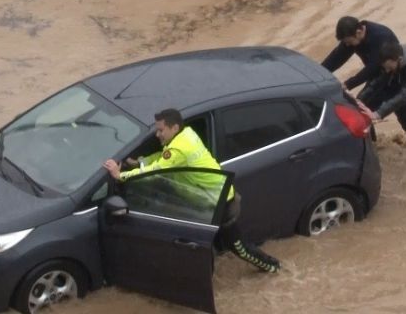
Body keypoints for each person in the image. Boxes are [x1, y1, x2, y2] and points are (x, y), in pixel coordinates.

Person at [103, 108, 282, 273]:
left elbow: (156, 170)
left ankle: (273, 267)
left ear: (174, 128)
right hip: (212, 197)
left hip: (219, 203)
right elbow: (163, 156)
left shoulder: (179, 148)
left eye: (161, 130)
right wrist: (141, 161)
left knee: (239, 248)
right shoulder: (185, 134)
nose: (157, 134)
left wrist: (120, 176)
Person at [322, 16, 406, 152]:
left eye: (348, 42)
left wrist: (348, 84)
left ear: (359, 32)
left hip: (398, 80)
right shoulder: (353, 37)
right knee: (361, 111)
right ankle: (372, 147)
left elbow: (374, 67)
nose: (347, 45)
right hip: (377, 81)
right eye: (345, 43)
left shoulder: (381, 37)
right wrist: (318, 72)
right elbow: (336, 57)